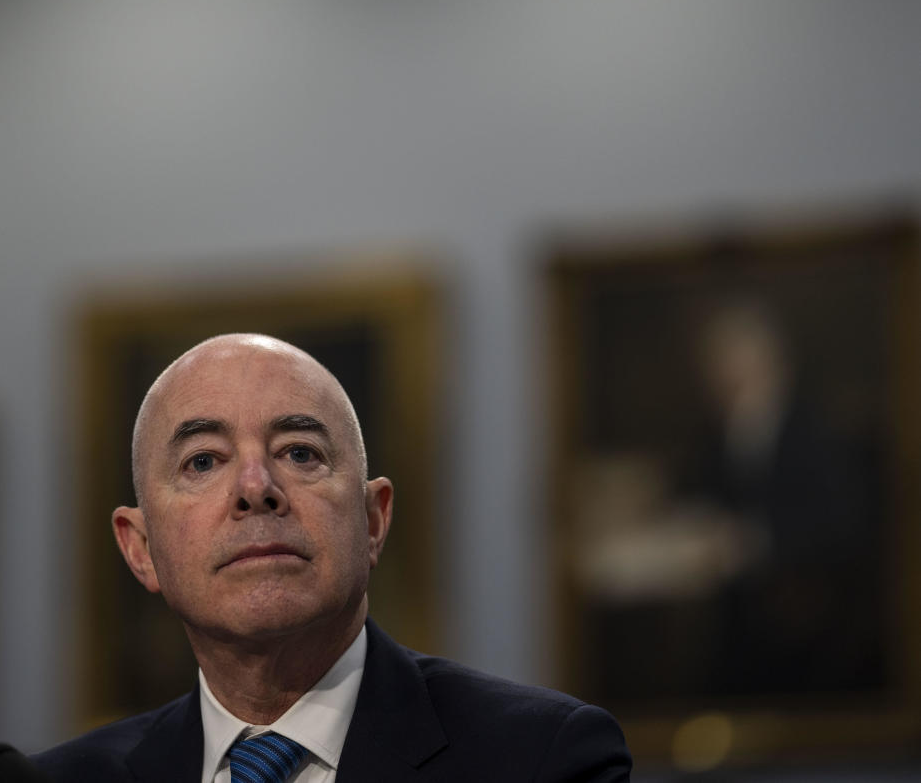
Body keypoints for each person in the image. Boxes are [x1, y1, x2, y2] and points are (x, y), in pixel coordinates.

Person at [34, 333, 631, 782]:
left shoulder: (543, 760)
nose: (254, 485)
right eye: (203, 461)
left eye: (299, 452)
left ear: (372, 521)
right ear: (141, 550)